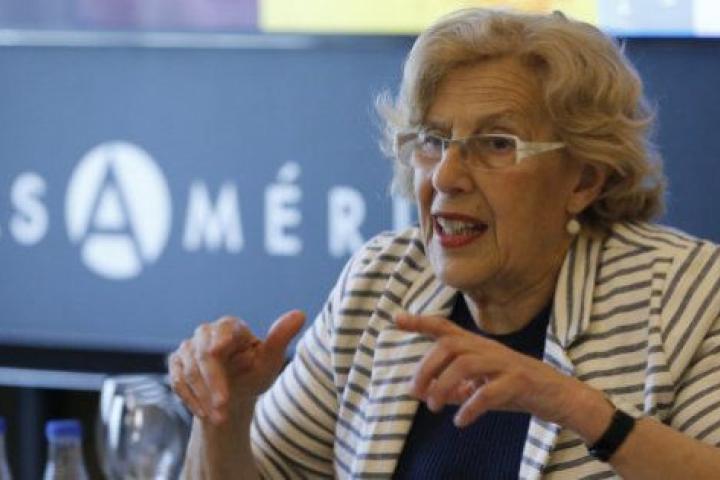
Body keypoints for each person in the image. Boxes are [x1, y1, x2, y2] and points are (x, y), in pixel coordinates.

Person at [168, 8, 720, 479]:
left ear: (584, 180)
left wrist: (574, 405)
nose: (447, 176)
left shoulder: (682, 294)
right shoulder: (383, 281)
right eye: (432, 140)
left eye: (497, 144)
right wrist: (226, 416)